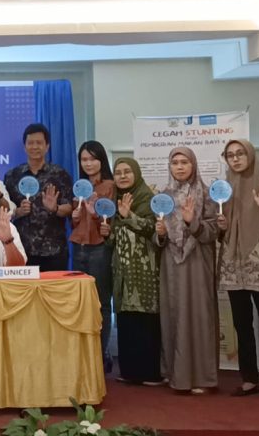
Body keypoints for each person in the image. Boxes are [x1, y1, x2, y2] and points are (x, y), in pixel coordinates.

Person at [216, 139, 259, 400]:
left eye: (240, 153)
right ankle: (249, 378)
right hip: (234, 265)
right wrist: (221, 226)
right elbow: (220, 230)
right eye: (230, 155)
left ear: (250, 155)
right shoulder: (223, 190)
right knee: (241, 324)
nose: (235, 159)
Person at [156, 146, 219, 394]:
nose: (180, 167)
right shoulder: (163, 197)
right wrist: (160, 234)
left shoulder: (207, 194)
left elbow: (214, 232)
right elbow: (158, 236)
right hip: (171, 262)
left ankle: (201, 377)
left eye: (185, 162)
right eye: (175, 163)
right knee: (172, 314)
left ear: (193, 164)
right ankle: (175, 374)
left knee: (198, 314)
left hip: (198, 261)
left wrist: (193, 222)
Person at [101, 158, 161, 386]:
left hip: (145, 269)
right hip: (122, 270)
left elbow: (153, 230)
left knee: (145, 320)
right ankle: (130, 371)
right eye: (118, 173)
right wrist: (107, 234)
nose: (123, 176)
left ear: (136, 173)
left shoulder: (149, 198)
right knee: (126, 319)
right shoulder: (115, 201)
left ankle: (150, 372)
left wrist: (129, 216)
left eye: (127, 171)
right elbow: (114, 241)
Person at [69, 140, 116, 372]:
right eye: (84, 159)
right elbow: (75, 224)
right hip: (79, 247)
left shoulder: (110, 186)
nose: (88, 164)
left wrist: (95, 215)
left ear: (101, 160)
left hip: (100, 247)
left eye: (93, 159)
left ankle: (101, 352)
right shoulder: (80, 187)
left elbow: (110, 222)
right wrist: (75, 217)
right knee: (82, 302)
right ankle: (85, 353)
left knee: (101, 302)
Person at [4, 123, 73, 271]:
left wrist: (55, 208)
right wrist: (18, 212)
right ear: (24, 147)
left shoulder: (60, 174)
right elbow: (6, 209)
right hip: (23, 250)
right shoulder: (12, 176)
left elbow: (69, 208)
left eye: (39, 143)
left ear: (47, 146)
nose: (35, 147)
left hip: (54, 250)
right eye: (30, 143)